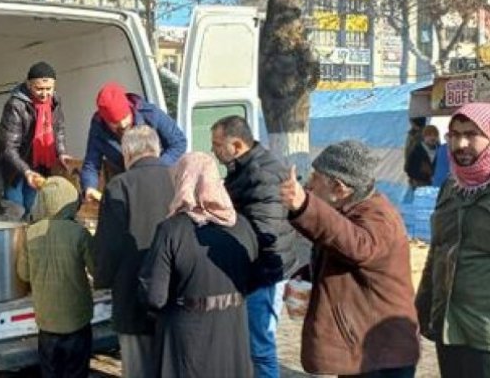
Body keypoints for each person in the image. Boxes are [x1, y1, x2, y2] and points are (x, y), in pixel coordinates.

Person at [280, 140, 420, 377]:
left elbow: (357, 245)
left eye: (316, 178)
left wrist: (305, 205)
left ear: (339, 188)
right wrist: (310, 273)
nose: (310, 186)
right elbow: (342, 252)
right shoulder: (350, 210)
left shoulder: (378, 216)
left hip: (380, 353)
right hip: (363, 347)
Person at [139, 152, 258, 378]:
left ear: (183, 181)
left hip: (187, 340)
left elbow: (154, 296)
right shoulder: (242, 226)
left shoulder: (171, 230)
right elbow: (252, 278)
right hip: (232, 333)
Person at [210, 115, 304, 378]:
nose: (214, 151)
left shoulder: (260, 173)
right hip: (259, 271)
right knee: (254, 344)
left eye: (218, 145)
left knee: (260, 348)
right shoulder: (245, 166)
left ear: (237, 145)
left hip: (265, 274)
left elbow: (264, 231)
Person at [93, 125, 175, 377]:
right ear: (157, 149)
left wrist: (101, 279)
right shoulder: (177, 177)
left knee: (138, 368)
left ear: (127, 154)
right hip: (174, 295)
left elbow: (110, 244)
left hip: (132, 296)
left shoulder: (119, 186)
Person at [416, 102, 490, 377]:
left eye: (471, 134)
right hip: (449, 326)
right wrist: (421, 310)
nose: (460, 143)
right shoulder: (450, 186)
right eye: (454, 134)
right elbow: (437, 253)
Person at [16, 176, 94, 378]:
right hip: (77, 322)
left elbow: (23, 274)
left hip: (47, 324)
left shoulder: (30, 233)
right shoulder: (79, 233)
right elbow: (96, 269)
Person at [81, 82, 186, 203]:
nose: (123, 125)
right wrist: (89, 186)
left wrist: (157, 167)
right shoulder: (98, 128)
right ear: (106, 122)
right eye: (116, 124)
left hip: (159, 180)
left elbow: (179, 142)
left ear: (129, 109)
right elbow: (91, 163)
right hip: (128, 185)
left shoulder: (150, 114)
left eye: (125, 118)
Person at [0, 61, 72, 213]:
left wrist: (62, 152)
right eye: (39, 89)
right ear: (29, 85)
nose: (44, 94)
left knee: (31, 208)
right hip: (15, 170)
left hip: (39, 166)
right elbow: (8, 147)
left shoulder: (55, 102)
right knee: (16, 211)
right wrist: (26, 171)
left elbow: (59, 130)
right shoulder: (16, 105)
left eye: (48, 89)